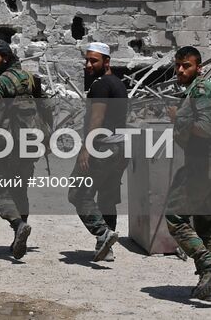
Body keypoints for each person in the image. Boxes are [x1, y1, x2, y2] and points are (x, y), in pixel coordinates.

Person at [164, 46, 211, 302]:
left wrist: (178, 119)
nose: (181, 70)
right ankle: (208, 287)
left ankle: (210, 266)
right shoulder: (208, 90)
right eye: (178, 65)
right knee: (205, 228)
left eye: (187, 66)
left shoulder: (200, 91)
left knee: (175, 217)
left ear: (198, 67)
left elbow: (206, 128)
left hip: (202, 168)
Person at [68, 42, 127, 262]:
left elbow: (97, 118)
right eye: (87, 60)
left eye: (94, 60)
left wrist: (86, 148)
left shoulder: (100, 85)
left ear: (107, 62)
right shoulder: (119, 84)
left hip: (102, 147)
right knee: (107, 198)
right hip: (120, 147)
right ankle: (107, 249)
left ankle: (103, 234)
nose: (88, 64)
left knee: (78, 194)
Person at [0, 39, 42, 260]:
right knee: (20, 189)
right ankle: (21, 233)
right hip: (31, 142)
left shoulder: (0, 82)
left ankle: (18, 225)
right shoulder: (30, 78)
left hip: (8, 143)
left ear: (5, 58)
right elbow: (44, 108)